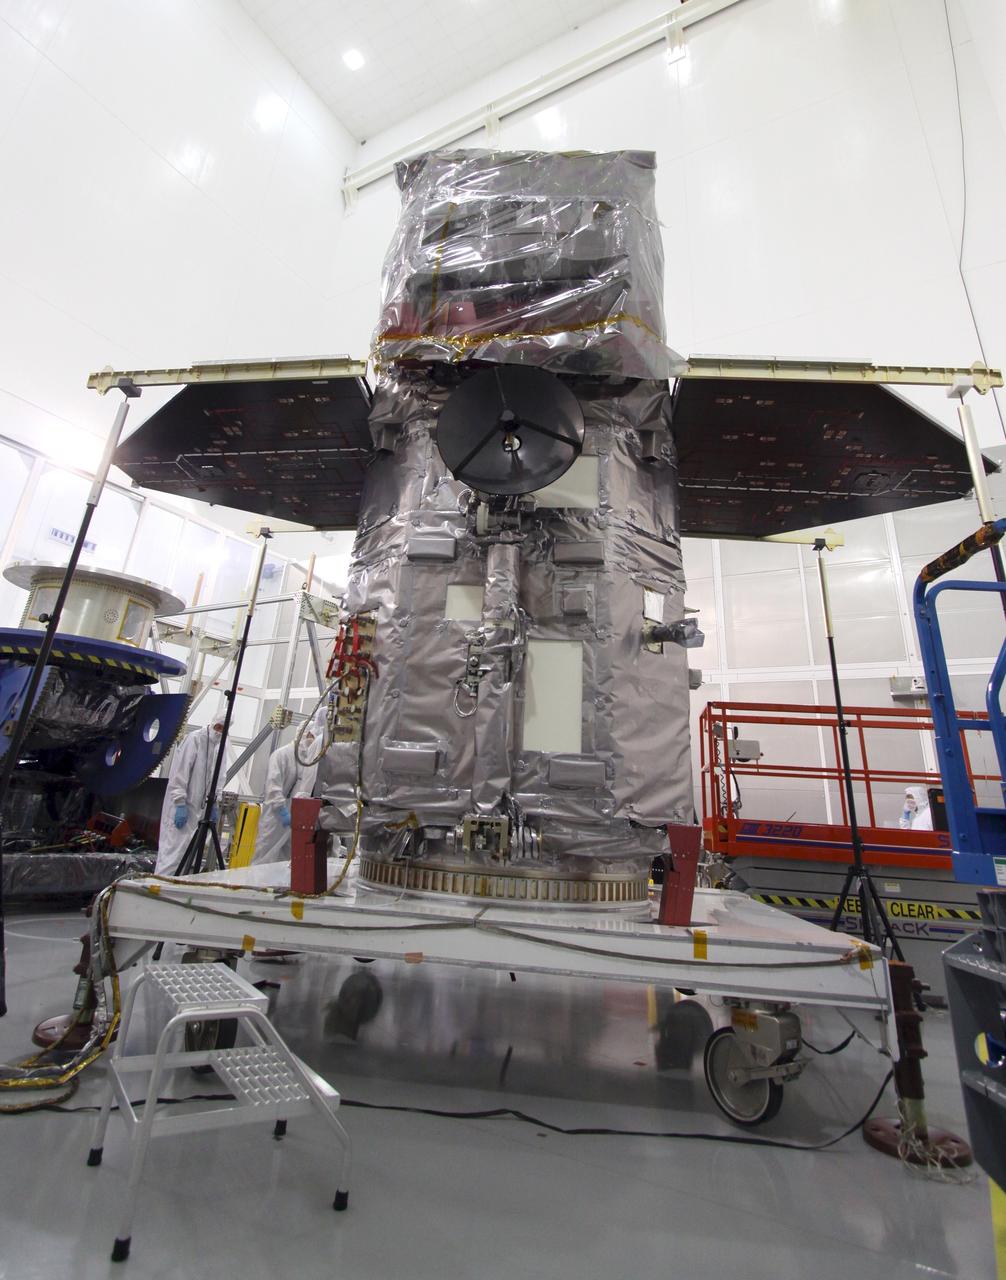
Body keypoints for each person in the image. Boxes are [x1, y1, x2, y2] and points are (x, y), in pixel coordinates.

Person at [154, 721, 224, 875]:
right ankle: (159, 890)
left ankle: (176, 892)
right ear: (212, 723)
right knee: (171, 856)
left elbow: (219, 777)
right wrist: (180, 802)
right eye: (218, 727)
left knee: (189, 857)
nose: (219, 732)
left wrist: (214, 803)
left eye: (224, 729)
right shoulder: (195, 739)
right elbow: (179, 774)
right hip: (182, 808)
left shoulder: (220, 746)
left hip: (199, 814)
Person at [251, 723, 322, 864]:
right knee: (265, 856)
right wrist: (282, 811)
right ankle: (256, 885)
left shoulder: (310, 760)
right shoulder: (281, 755)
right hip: (276, 818)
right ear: (303, 733)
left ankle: (279, 886)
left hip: (297, 818)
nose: (312, 741)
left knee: (289, 859)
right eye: (311, 736)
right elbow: (272, 788)